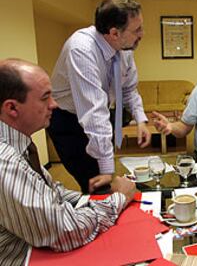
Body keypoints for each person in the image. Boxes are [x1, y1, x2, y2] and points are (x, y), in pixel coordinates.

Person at [0, 58, 137, 265]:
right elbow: (64, 232)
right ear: (12, 108)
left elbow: (51, 192)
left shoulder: (19, 146)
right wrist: (118, 199)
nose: (54, 105)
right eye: (45, 98)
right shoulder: (6, 162)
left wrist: (92, 200)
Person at [48, 0, 151, 194]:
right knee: (97, 186)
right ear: (114, 33)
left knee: (107, 182)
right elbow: (93, 111)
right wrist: (106, 169)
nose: (142, 34)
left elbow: (129, 88)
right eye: (137, 29)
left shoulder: (124, 48)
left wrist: (141, 120)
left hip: (97, 117)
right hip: (68, 121)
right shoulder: (81, 49)